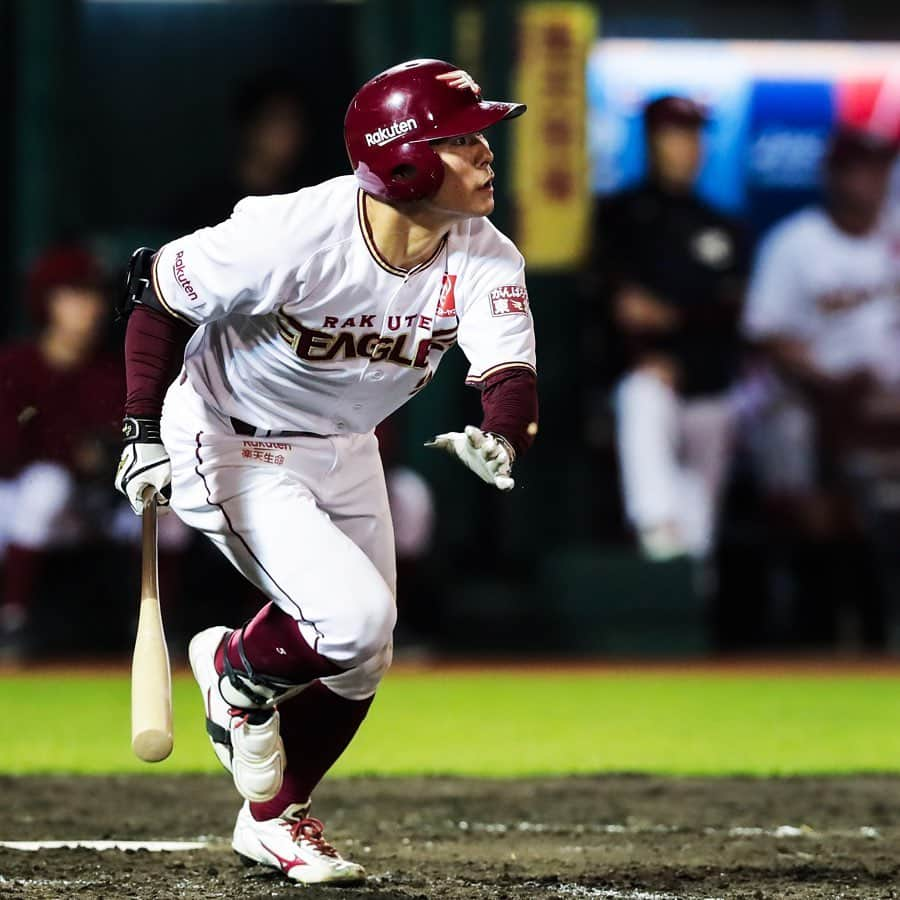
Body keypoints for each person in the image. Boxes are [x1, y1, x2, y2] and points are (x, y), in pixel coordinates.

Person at [114, 59, 538, 885]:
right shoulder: (292, 232)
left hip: (346, 445)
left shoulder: (485, 253)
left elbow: (508, 377)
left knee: (365, 652)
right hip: (230, 438)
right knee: (347, 619)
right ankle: (235, 672)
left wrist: (503, 437)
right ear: (404, 157)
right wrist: (138, 428)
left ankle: (272, 818)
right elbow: (156, 289)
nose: (489, 155)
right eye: (463, 140)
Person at [742, 125, 900, 648]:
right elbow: (768, 336)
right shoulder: (796, 243)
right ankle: (819, 632)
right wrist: (832, 388)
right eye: (859, 169)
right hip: (816, 398)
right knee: (799, 445)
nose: (871, 182)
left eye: (879, 168)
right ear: (832, 175)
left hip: (889, 405)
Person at [588, 95, 749, 560]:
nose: (687, 147)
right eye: (675, 135)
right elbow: (618, 308)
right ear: (653, 140)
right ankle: (656, 529)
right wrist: (652, 343)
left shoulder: (723, 225)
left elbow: (731, 313)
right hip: (646, 375)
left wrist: (673, 319)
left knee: (700, 526)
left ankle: (689, 588)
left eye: (694, 136)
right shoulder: (618, 215)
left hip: (711, 386)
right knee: (642, 394)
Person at [0, 247, 123, 656]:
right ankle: (12, 620)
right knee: (45, 485)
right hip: (14, 498)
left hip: (92, 502)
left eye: (93, 295)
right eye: (74, 295)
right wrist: (71, 452)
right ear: (47, 301)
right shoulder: (15, 365)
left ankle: (163, 624)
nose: (90, 307)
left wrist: (100, 459)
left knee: (168, 508)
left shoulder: (111, 373)